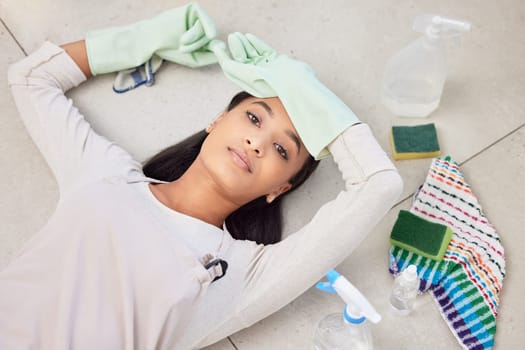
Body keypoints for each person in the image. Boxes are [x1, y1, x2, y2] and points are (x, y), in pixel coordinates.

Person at [0, 4, 403, 350]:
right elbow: (32, 78)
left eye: (283, 150)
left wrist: (299, 84)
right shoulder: (105, 174)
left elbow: (379, 184)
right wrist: (149, 38)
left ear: (279, 189)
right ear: (216, 122)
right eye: (253, 117)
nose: (257, 143)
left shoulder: (244, 275)